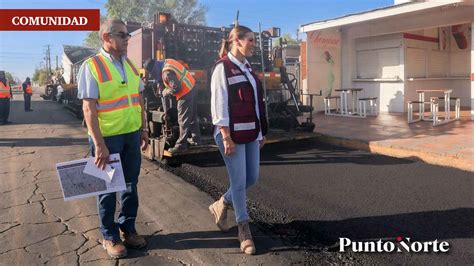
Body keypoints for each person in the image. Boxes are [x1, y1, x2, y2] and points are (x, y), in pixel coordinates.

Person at [77, 19, 149, 259]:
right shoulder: (92, 66)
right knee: (107, 188)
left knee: (131, 184)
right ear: (107, 37)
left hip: (131, 134)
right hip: (107, 138)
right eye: (123, 35)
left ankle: (128, 229)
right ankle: (109, 236)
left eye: (127, 35)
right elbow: (89, 109)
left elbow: (138, 99)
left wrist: (144, 129)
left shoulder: (128, 64)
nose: (128, 38)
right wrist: (99, 145)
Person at [209, 25, 268, 255]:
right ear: (237, 41)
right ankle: (244, 229)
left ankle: (222, 203)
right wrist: (226, 136)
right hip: (230, 134)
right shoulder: (222, 68)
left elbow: (255, 105)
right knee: (239, 182)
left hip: (251, 133)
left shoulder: (248, 68)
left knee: (251, 178)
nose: (254, 44)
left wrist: (261, 132)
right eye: (251, 40)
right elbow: (219, 104)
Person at [144, 58, 201, 152]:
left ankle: (181, 145)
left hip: (185, 92)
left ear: (153, 70)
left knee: (183, 119)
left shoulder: (166, 73)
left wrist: (165, 92)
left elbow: (176, 87)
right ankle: (196, 140)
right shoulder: (166, 62)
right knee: (192, 117)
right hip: (192, 86)